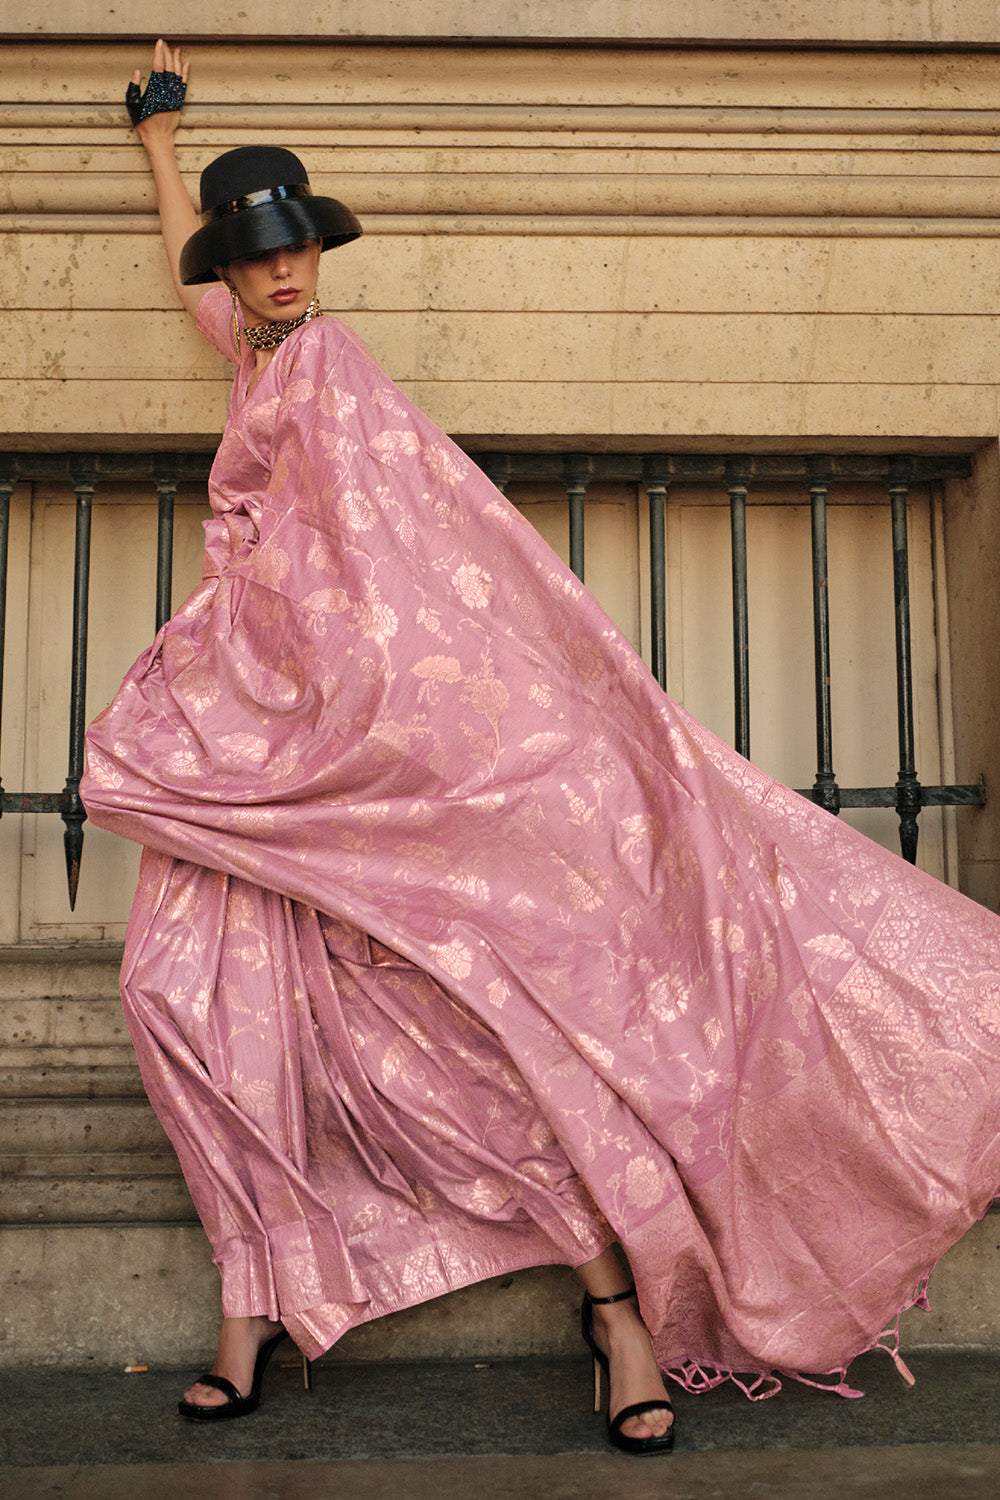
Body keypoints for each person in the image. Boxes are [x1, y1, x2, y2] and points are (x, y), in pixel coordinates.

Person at [83, 41, 1000, 1453]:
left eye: (297, 251)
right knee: (192, 1005)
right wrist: (164, 136)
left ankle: (615, 1313)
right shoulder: (255, 347)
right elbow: (185, 276)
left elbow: (386, 573)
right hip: (251, 768)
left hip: (323, 755)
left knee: (491, 1035)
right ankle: (253, 1306)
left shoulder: (328, 369)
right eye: (258, 258)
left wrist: (279, 689)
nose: (281, 276)